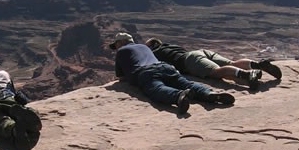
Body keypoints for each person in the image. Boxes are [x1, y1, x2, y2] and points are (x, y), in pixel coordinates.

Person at [109, 32, 235, 114]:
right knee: (185, 83)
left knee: (156, 88)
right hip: (165, 67)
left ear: (120, 43)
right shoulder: (144, 47)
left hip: (146, 73)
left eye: (116, 45)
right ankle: (208, 94)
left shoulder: (122, 51)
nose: (116, 48)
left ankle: (178, 96)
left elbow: (121, 76)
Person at [144, 38, 282, 90]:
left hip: (189, 61)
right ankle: (258, 65)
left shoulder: (154, 53)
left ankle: (247, 75)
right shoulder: (168, 45)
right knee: (232, 63)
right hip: (199, 52)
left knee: (216, 72)